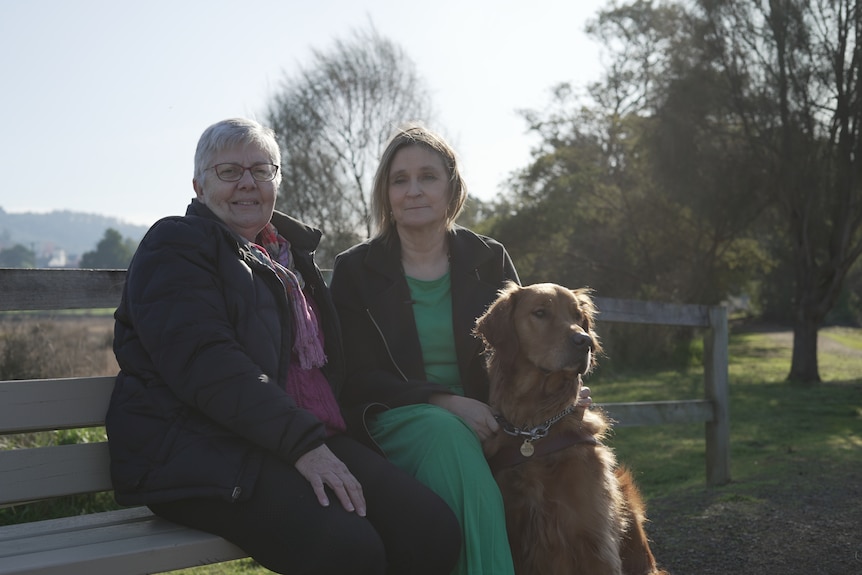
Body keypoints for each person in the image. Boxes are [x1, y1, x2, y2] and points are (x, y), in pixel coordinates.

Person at [105, 117, 461, 575]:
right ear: (198, 185)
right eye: (229, 172)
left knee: (431, 531)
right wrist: (302, 445)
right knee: (349, 550)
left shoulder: (287, 257)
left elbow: (335, 365)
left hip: (292, 438)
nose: (247, 184)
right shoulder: (175, 245)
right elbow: (208, 364)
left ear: (277, 179)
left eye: (261, 170)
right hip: (199, 453)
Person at [330, 123, 590, 575]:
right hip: (395, 419)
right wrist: (443, 402)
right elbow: (353, 379)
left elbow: (527, 344)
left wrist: (557, 394)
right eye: (399, 179)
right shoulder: (355, 270)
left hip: (491, 417)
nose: (413, 190)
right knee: (449, 436)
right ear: (385, 193)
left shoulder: (488, 258)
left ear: (452, 187)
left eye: (428, 176)